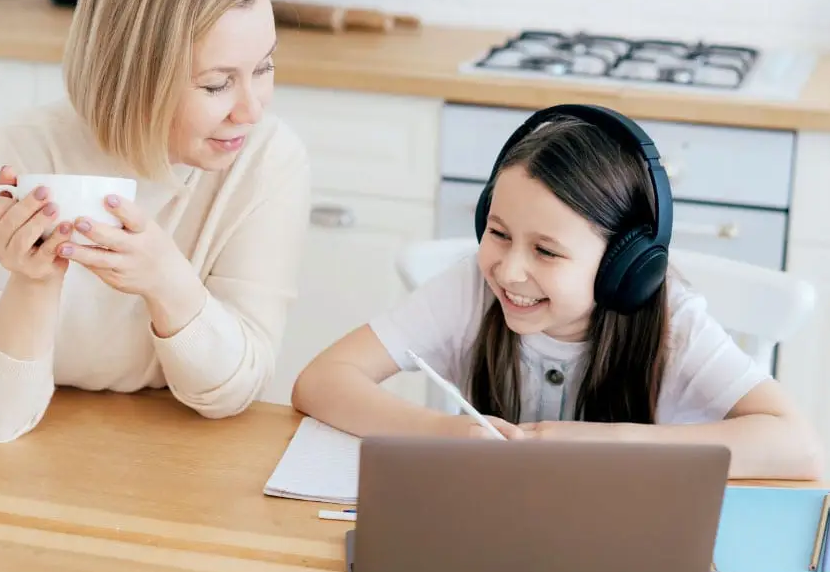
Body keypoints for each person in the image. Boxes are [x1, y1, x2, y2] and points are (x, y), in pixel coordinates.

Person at [292, 104, 824, 480]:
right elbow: (321, 380)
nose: (510, 270)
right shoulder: (471, 290)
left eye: (546, 251)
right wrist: (443, 433)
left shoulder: (673, 325)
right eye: (497, 233)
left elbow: (798, 447)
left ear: (624, 265)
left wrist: (606, 444)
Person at [0, 0, 310, 443]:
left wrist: (165, 279)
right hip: (42, 460)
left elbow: (232, 393)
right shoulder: (12, 161)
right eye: (217, 84)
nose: (251, 109)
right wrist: (34, 281)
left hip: (183, 458)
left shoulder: (267, 160)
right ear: (134, 74)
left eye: (264, 67)